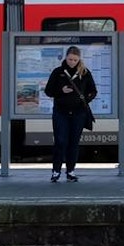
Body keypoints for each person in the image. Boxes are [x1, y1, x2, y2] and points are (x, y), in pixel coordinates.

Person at [43, 45, 97, 183]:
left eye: (74, 60)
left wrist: (85, 99)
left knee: (74, 142)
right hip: (61, 112)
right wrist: (61, 91)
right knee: (60, 141)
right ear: (65, 57)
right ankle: (56, 171)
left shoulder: (84, 73)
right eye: (70, 59)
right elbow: (48, 91)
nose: (72, 62)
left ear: (79, 59)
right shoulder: (58, 72)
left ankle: (70, 171)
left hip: (78, 113)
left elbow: (93, 90)